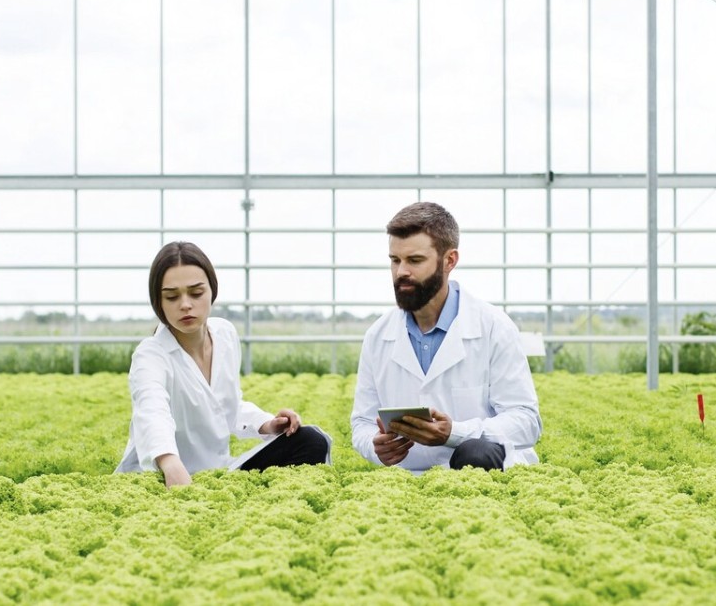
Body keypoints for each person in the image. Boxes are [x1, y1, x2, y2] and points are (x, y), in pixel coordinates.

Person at [117, 241, 331, 487]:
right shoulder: (150, 354)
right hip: (165, 475)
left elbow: (228, 404)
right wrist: (170, 463)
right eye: (172, 296)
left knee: (311, 441)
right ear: (159, 302)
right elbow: (152, 412)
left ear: (212, 291)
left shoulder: (225, 334)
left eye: (196, 293)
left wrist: (267, 424)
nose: (185, 304)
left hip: (218, 473)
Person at [351, 202, 542, 472]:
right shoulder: (378, 335)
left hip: (482, 478)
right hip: (409, 477)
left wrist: (455, 433)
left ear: (449, 261)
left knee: (474, 452)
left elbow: (526, 421)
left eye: (415, 260)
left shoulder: (493, 327)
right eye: (395, 260)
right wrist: (375, 446)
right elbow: (362, 422)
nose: (401, 271)